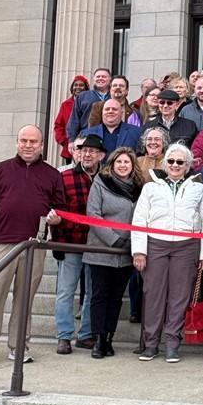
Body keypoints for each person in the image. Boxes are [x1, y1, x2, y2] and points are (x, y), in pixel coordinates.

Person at [0, 126, 63, 368]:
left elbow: (60, 208)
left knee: (25, 299)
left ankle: (19, 346)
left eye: (33, 141)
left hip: (34, 245)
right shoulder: (0, 170)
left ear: (42, 145)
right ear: (16, 143)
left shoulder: (52, 174)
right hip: (2, 242)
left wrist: (57, 219)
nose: (28, 145)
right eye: (23, 140)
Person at [131, 143, 203, 363]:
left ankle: (172, 343)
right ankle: (150, 344)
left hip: (187, 246)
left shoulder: (199, 188)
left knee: (179, 297)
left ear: (187, 166)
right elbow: (139, 219)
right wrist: (139, 251)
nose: (175, 165)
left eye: (180, 162)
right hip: (155, 244)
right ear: (165, 163)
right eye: (171, 161)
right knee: (153, 295)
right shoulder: (151, 187)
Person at [84, 146, 144, 359]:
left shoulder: (139, 187)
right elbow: (93, 214)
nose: (123, 165)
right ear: (112, 164)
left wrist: (129, 242)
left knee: (116, 298)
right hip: (102, 248)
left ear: (132, 165)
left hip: (126, 251)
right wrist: (113, 239)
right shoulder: (101, 182)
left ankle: (109, 337)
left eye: (127, 162)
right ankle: (98, 339)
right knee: (100, 295)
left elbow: (141, 216)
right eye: (119, 162)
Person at [48, 134, 103, 355]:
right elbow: (58, 209)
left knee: (91, 292)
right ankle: (64, 336)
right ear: (77, 153)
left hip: (97, 244)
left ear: (101, 155)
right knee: (66, 291)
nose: (87, 154)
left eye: (92, 151)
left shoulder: (105, 179)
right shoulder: (65, 177)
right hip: (70, 242)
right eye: (83, 150)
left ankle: (86, 335)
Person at [66, 68, 111, 146]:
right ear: (94, 79)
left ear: (110, 79)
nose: (100, 78)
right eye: (98, 76)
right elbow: (74, 119)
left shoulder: (114, 97)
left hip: (109, 138)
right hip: (86, 138)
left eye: (104, 77)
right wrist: (71, 140)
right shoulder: (83, 96)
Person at [52, 75, 88, 163]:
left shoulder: (90, 103)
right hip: (70, 148)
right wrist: (64, 141)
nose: (78, 87)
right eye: (75, 85)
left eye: (81, 85)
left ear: (86, 88)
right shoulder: (66, 104)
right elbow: (58, 125)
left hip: (87, 147)